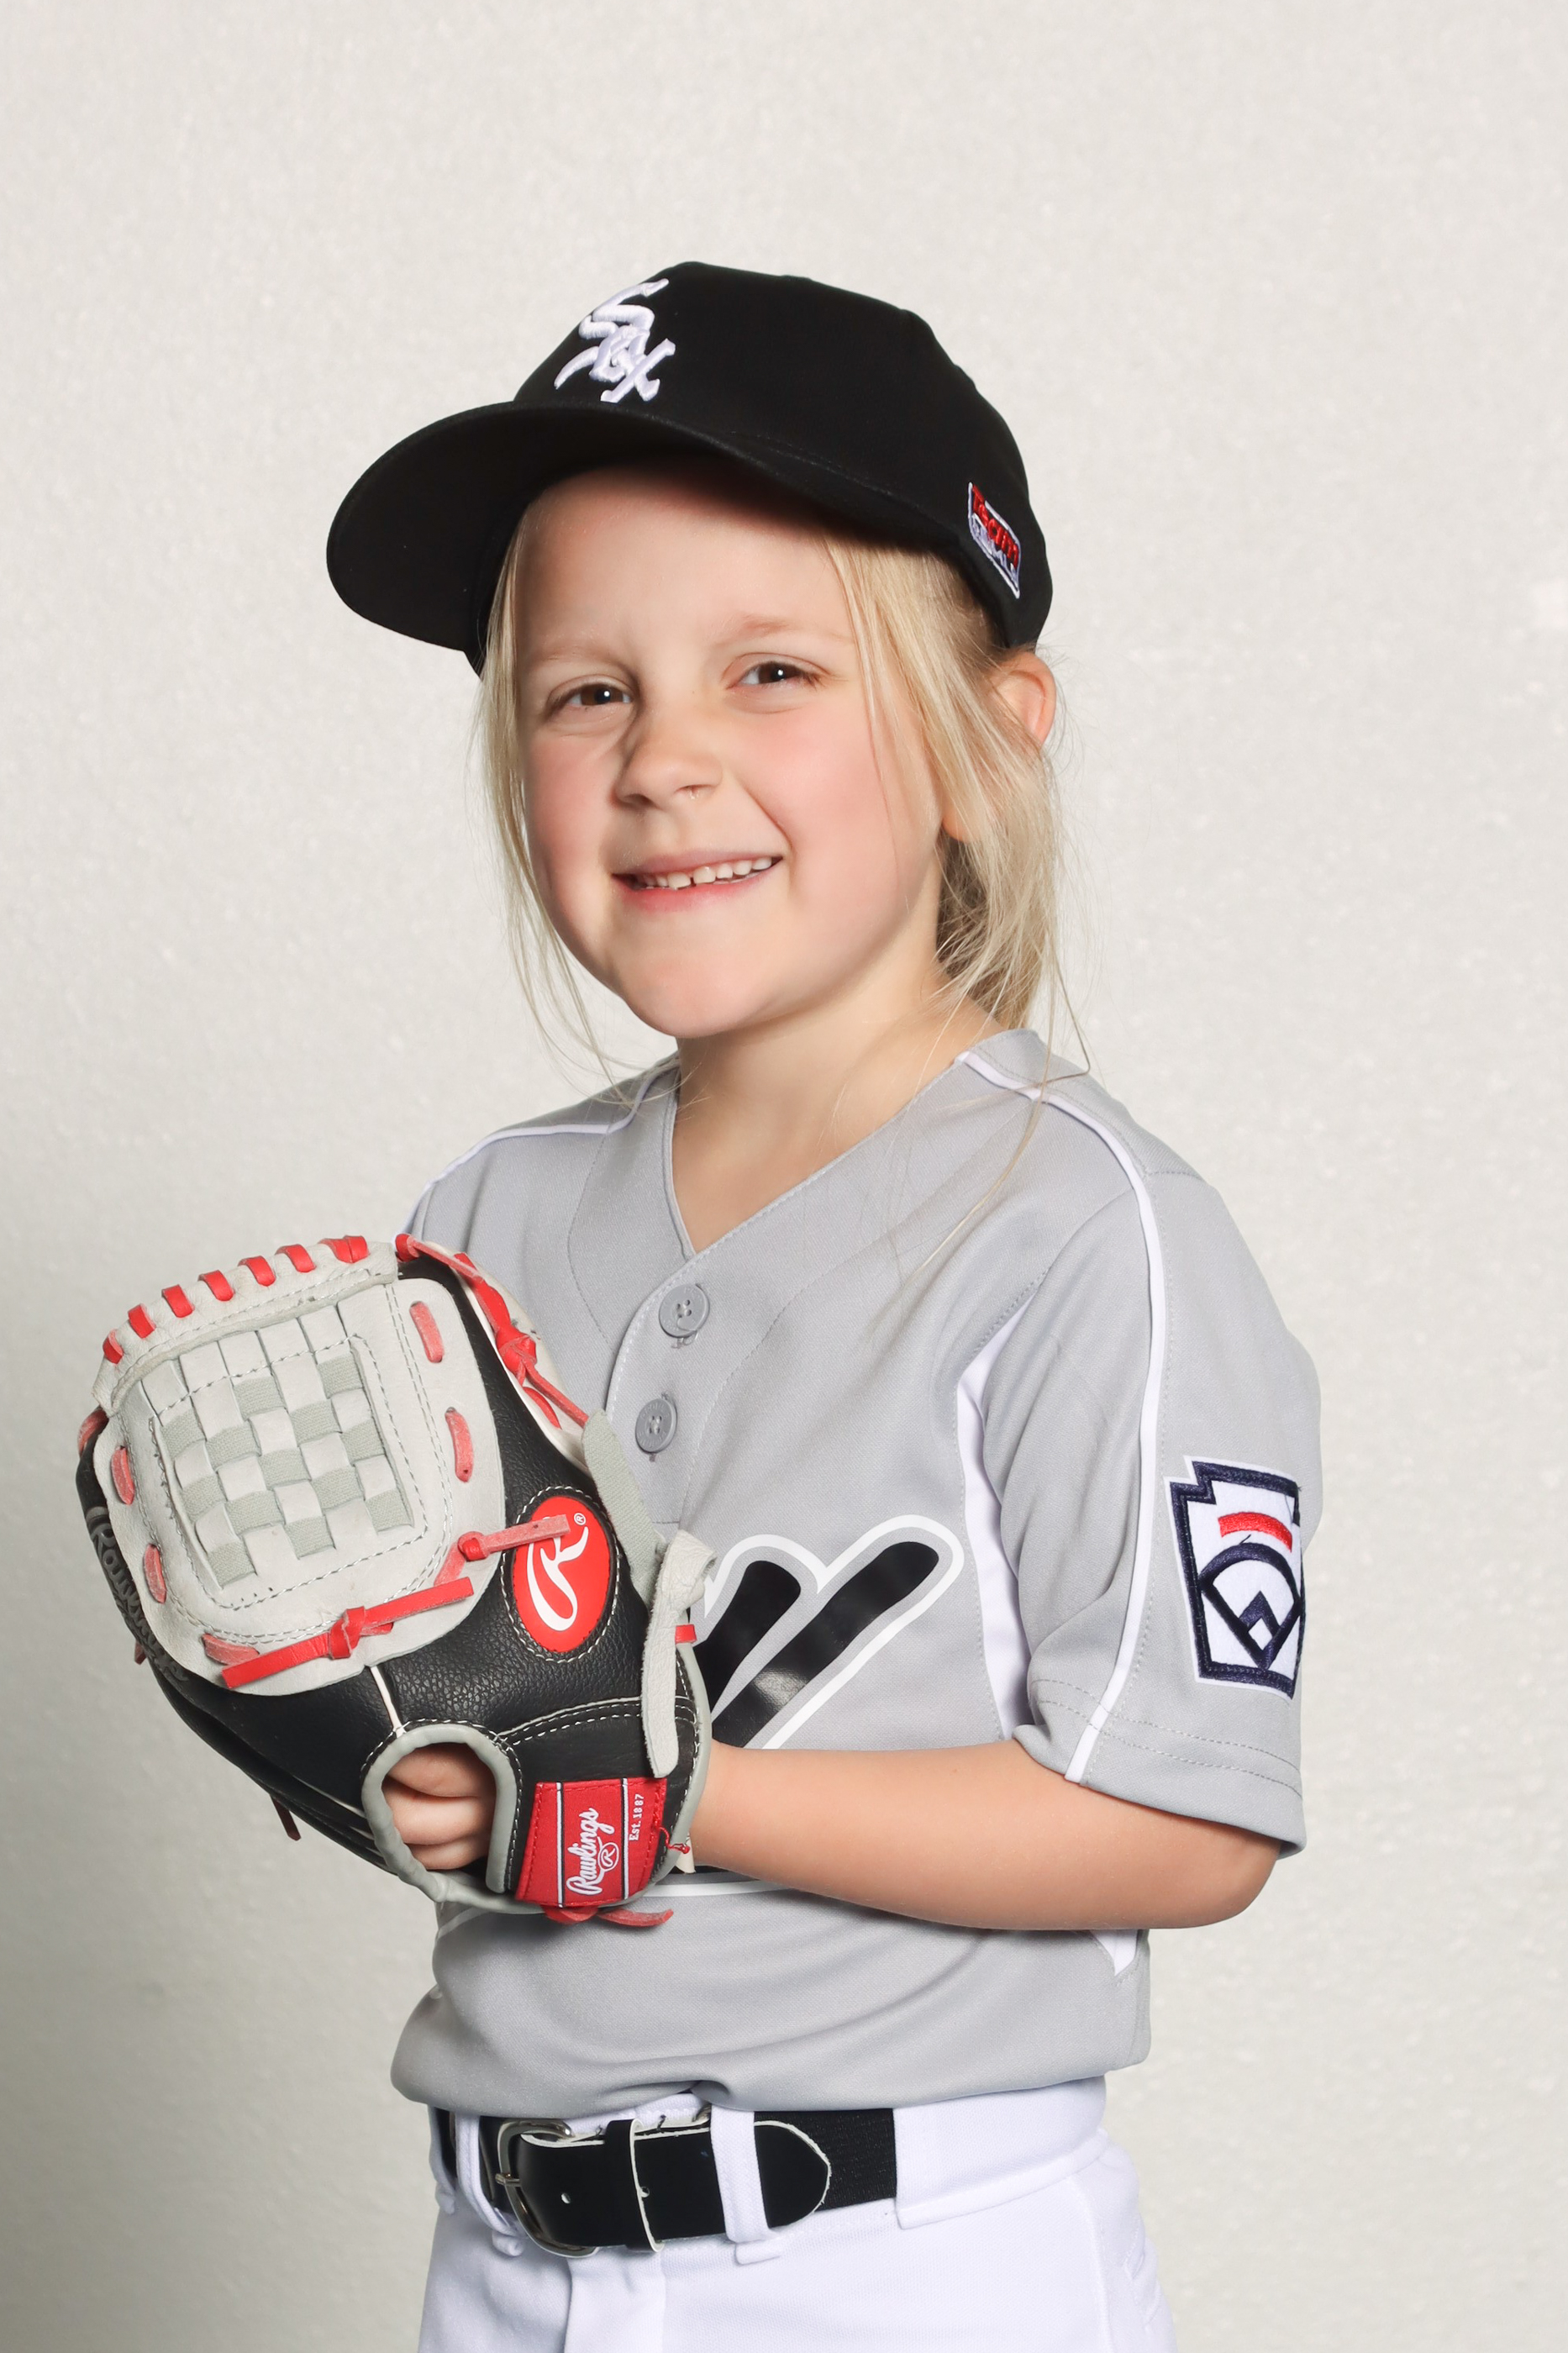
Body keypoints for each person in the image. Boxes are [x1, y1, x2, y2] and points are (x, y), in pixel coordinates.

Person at [327, 263, 1318, 2352]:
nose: (663, 759)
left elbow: (1183, 1812)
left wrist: (666, 1788)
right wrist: (362, 1750)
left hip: (906, 2260)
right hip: (501, 2257)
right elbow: (456, 1713)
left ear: (986, 743)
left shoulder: (1087, 1231)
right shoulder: (484, 1214)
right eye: (583, 691)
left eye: (769, 669)